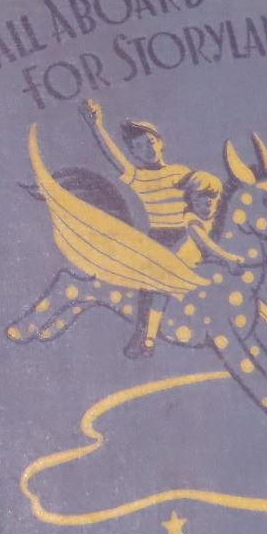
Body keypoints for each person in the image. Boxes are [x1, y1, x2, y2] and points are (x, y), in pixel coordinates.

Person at [81, 101, 192, 358]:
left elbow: (201, 199)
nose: (147, 149)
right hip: (159, 238)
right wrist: (96, 125)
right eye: (139, 147)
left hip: (186, 233)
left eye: (150, 142)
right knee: (149, 282)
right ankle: (144, 334)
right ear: (133, 153)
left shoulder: (181, 173)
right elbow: (114, 157)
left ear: (161, 142)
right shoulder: (139, 177)